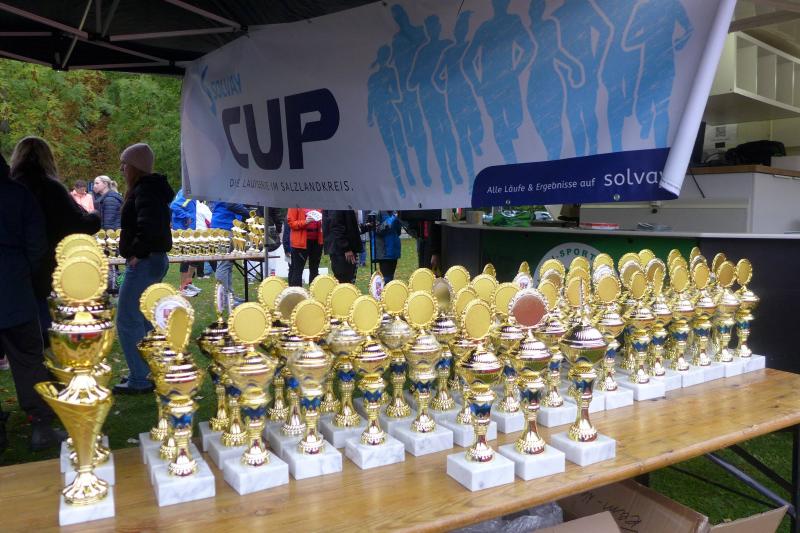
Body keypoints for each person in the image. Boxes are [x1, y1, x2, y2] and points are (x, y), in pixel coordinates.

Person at [0, 152, 66, 452]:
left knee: (28, 356)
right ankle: (40, 424)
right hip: (14, 286)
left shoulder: (19, 193)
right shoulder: (19, 195)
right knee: (28, 359)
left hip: (14, 281)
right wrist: (22, 270)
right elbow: (37, 244)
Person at [11, 137, 100, 346]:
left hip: (12, 266)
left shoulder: (11, 187)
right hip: (45, 266)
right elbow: (81, 224)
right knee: (45, 326)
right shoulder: (52, 188)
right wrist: (95, 215)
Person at [115, 143, 174, 395]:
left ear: (135, 167)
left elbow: (148, 226)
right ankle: (151, 369)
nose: (122, 169)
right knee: (143, 317)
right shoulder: (151, 189)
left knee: (128, 319)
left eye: (125, 164)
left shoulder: (145, 191)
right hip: (153, 259)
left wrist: (137, 253)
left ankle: (140, 377)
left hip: (145, 261)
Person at [210, 201, 250, 305]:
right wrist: (249, 213)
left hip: (225, 225)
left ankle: (230, 296)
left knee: (228, 264)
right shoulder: (227, 190)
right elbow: (231, 204)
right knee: (223, 264)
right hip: (223, 227)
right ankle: (225, 299)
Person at [93, 175, 124, 294]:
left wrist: (105, 240)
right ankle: (114, 287)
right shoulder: (105, 198)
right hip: (110, 236)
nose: (94, 186)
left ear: (105, 184)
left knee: (113, 265)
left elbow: (109, 224)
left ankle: (115, 287)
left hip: (112, 238)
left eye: (97, 183)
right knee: (112, 265)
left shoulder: (110, 199)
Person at [170, 189, 201, 297]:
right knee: (186, 259)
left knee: (194, 256)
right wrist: (186, 216)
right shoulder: (187, 192)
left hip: (189, 230)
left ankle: (187, 283)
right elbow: (174, 205)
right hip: (183, 230)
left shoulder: (190, 192)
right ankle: (183, 287)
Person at [323, 210, 363, 284]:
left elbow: (348, 225)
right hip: (341, 251)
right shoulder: (337, 206)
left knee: (348, 280)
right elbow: (336, 227)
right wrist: (346, 248)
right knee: (344, 281)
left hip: (342, 248)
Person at [287, 208, 323, 287]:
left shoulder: (318, 203)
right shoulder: (295, 204)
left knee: (314, 269)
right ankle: (296, 293)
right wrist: (305, 222)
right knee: (298, 270)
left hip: (317, 242)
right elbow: (291, 223)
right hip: (300, 243)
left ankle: (313, 292)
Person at [372, 211, 402, 282]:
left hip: (394, 251)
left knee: (390, 277)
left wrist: (398, 220)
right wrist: (391, 220)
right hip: (384, 252)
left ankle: (389, 288)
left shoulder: (394, 212)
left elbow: (398, 232)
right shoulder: (378, 212)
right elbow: (377, 230)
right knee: (386, 278)